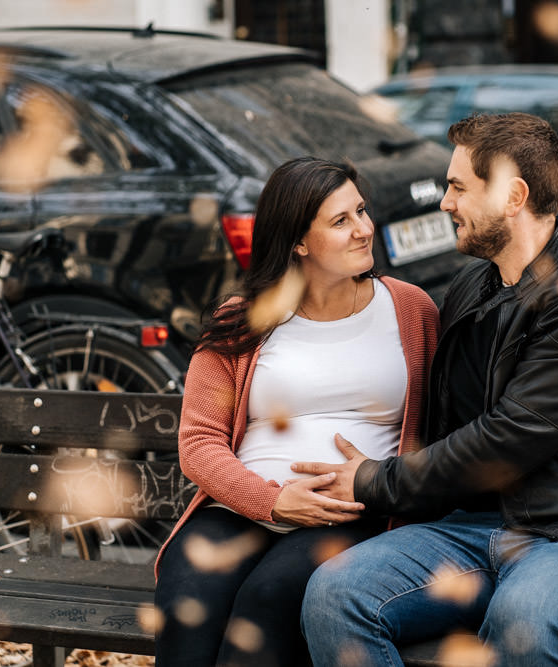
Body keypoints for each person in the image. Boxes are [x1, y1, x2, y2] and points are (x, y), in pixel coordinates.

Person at [295, 113, 558, 666]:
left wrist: (375, 481)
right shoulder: (471, 286)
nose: (445, 203)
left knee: (523, 619)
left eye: (457, 187)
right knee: (335, 594)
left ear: (512, 195)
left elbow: (508, 438)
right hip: (471, 530)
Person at [153, 156, 440, 667]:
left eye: (361, 211)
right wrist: (272, 501)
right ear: (298, 242)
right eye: (341, 221)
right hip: (242, 508)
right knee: (187, 605)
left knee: (268, 602)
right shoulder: (242, 318)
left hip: (349, 517)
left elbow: (442, 432)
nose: (363, 230)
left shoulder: (411, 309)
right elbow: (198, 443)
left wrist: (381, 483)